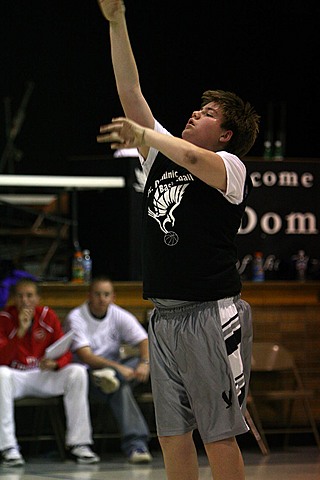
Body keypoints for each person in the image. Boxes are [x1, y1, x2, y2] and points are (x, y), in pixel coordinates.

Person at [96, 2, 260, 479]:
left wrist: (145, 133)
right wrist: (117, 20)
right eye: (198, 107)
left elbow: (189, 155)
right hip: (165, 316)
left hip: (211, 313)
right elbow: (131, 91)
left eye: (208, 113)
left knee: (218, 432)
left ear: (226, 134)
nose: (195, 112)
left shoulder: (230, 168)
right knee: (171, 435)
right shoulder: (160, 158)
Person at [0, 279, 100, 467]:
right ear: (14, 299)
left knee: (77, 372)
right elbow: (2, 359)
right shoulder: (4, 317)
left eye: (29, 295)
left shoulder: (48, 315)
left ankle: (80, 443)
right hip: (17, 377)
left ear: (37, 298)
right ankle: (8, 448)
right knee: (0, 374)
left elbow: (66, 351)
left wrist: (56, 364)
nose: (25, 300)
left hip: (43, 374)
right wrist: (20, 331)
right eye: (20, 296)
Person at [65, 275, 152, 464]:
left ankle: (142, 443)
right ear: (89, 296)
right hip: (88, 375)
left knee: (138, 368)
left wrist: (144, 363)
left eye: (106, 294)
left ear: (113, 297)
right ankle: (136, 444)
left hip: (115, 372)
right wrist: (118, 368)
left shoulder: (118, 314)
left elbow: (144, 340)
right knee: (119, 387)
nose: (102, 299)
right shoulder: (76, 317)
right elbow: (86, 356)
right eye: (97, 294)